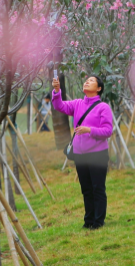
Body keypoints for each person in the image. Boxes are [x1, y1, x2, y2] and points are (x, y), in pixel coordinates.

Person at [51, 74, 113, 229]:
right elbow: (60, 106)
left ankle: (98, 221)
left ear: (98, 89)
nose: (87, 81)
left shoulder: (103, 107)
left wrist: (89, 130)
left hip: (98, 154)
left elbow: (107, 130)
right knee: (86, 189)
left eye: (91, 81)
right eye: (86, 80)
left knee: (97, 188)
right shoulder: (77, 104)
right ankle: (89, 221)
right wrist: (57, 91)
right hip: (80, 154)